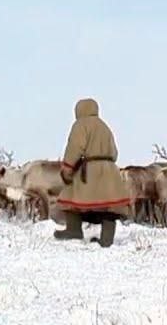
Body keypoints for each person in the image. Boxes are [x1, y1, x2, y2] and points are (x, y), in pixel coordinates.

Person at [53, 98, 130, 247]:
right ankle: (107, 239)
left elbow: (75, 148)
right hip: (110, 170)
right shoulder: (104, 126)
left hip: (90, 170)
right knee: (109, 206)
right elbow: (114, 152)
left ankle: (73, 230)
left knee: (69, 196)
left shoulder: (80, 125)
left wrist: (67, 168)